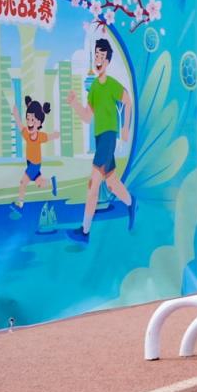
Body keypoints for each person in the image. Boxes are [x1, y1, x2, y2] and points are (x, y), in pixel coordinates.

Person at [66, 38, 135, 244]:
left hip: (108, 138)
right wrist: (74, 104)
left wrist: (125, 128)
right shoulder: (95, 87)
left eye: (102, 56)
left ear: (108, 61)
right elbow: (88, 117)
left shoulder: (111, 84)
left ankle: (85, 231)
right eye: (96, 55)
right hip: (100, 140)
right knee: (112, 183)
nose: (98, 60)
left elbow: (128, 101)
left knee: (93, 185)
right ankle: (132, 203)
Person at [10, 96, 60, 218]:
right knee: (39, 183)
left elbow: (49, 137)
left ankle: (20, 205)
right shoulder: (27, 134)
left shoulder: (40, 136)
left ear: (39, 123)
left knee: (23, 182)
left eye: (33, 120)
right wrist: (16, 115)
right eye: (28, 119)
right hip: (30, 163)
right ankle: (51, 182)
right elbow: (20, 125)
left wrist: (56, 135)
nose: (29, 123)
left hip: (34, 164)